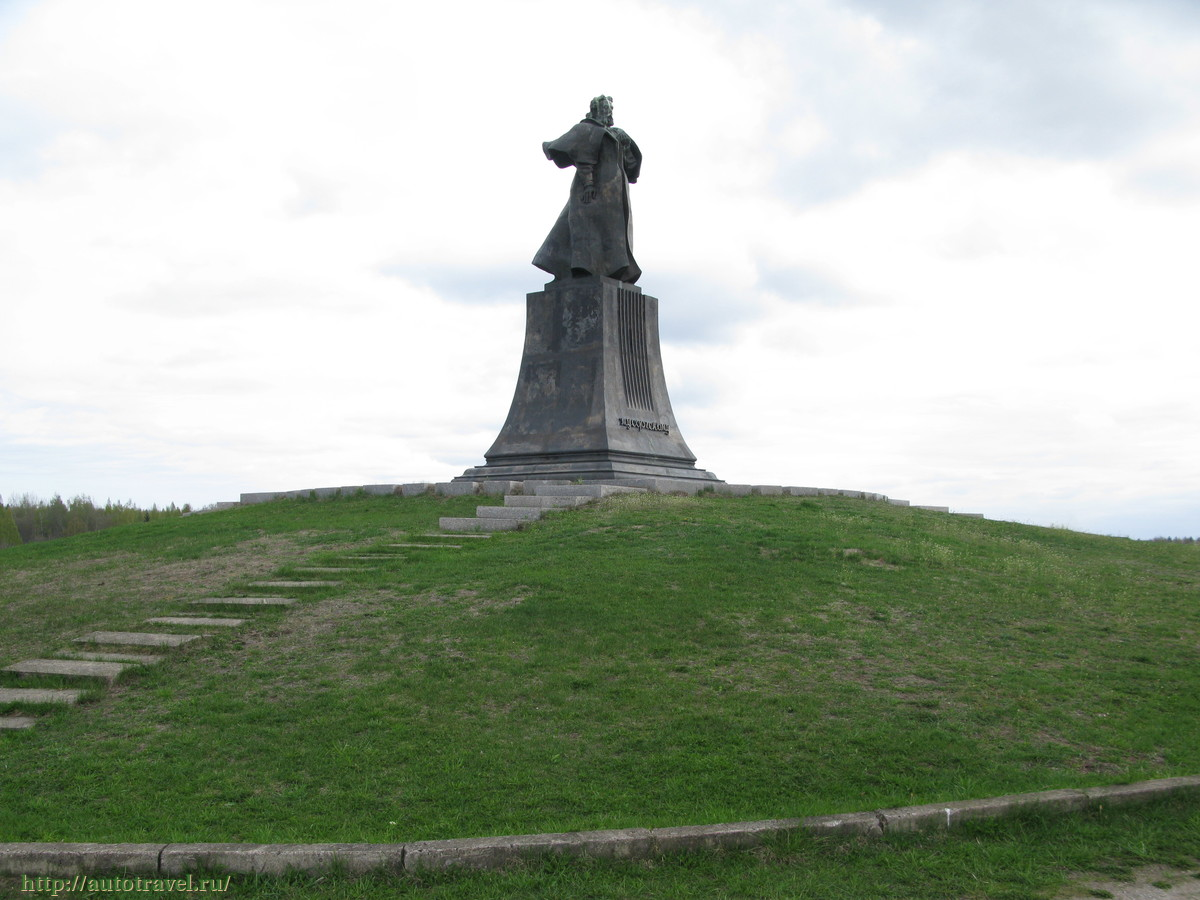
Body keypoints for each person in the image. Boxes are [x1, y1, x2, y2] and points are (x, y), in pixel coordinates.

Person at [533, 95, 643, 284]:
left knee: (612, 233)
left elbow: (631, 167)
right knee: (582, 229)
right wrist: (589, 183)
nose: (607, 113)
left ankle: (612, 270)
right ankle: (575, 270)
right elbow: (584, 158)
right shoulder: (586, 129)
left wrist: (626, 145)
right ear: (594, 110)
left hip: (615, 192)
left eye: (609, 110)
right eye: (604, 109)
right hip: (591, 191)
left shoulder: (616, 133)